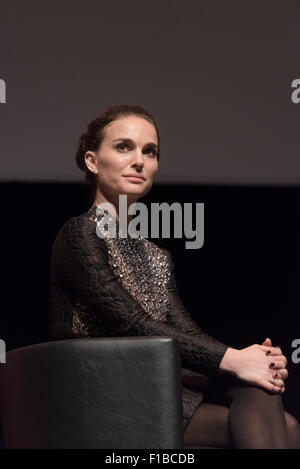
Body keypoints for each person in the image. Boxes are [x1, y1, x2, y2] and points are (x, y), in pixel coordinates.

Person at [48, 104, 300, 448]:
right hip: (102, 395)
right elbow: (132, 322)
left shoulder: (156, 256)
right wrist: (234, 359)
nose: (139, 160)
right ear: (92, 161)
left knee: (269, 401)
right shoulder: (79, 233)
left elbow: (185, 332)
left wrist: (254, 361)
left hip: (156, 391)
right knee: (279, 423)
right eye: (124, 147)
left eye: (149, 152)